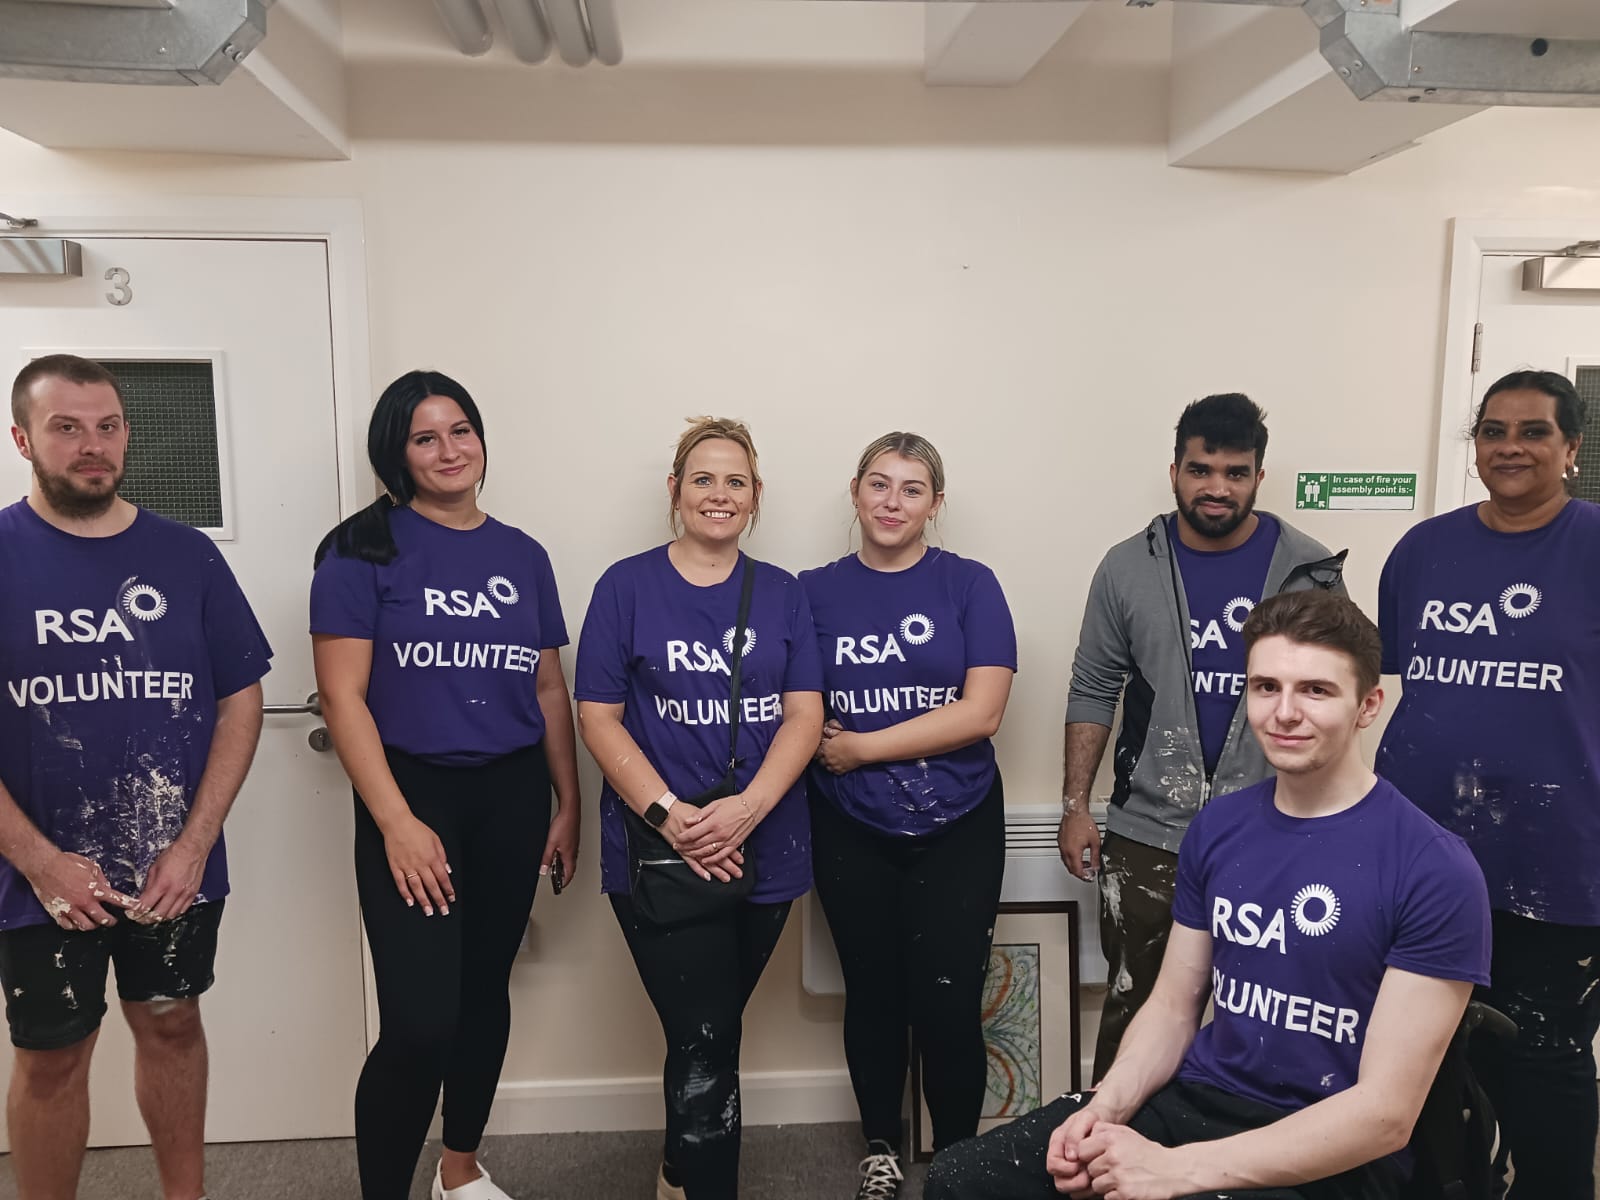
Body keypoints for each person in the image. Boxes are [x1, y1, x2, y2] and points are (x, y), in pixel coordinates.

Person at [927, 589, 1492, 1200]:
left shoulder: (1434, 868)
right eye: (1266, 687)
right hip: (1201, 1099)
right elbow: (1173, 1008)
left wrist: (1175, 1171)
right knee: (960, 1182)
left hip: (1331, 1147)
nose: (1285, 712)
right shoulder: (1219, 828)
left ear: (1368, 706)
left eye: (1316, 690)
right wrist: (1105, 1107)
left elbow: (1384, 1115)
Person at [0, 354, 271, 1200]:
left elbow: (241, 699)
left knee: (172, 1021)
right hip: (38, 873)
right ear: (22, 439)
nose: (93, 445)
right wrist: (41, 862)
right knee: (52, 1056)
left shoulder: (186, 556)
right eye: (66, 427)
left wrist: (194, 846)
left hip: (171, 864)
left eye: (108, 426)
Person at [311, 369, 581, 1200]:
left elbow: (547, 688)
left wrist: (569, 802)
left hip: (511, 795)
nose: (449, 450)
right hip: (412, 795)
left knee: (483, 994)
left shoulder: (523, 555)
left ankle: (459, 1170)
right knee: (421, 1021)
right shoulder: (358, 550)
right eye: (424, 438)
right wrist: (395, 820)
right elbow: (343, 698)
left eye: (460, 430)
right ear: (396, 454)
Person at [1056, 392, 1347, 1078]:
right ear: (1174, 472)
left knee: (1274, 1014)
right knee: (1136, 1006)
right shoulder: (1127, 566)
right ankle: (1115, 1134)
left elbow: (1337, 696)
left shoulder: (1308, 571)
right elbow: (1094, 686)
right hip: (1149, 832)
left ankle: (1246, 1140)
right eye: (1201, 470)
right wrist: (1075, 805)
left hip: (1279, 830)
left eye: (1235, 472)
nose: (1217, 487)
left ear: (1259, 477)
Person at [575, 416, 823, 1200]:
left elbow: (805, 714)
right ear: (675, 490)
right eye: (703, 478)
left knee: (708, 1029)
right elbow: (597, 716)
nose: (719, 494)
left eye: (735, 481)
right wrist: (671, 817)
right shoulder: (625, 587)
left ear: (756, 496)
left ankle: (681, 1168)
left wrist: (746, 809)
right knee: (708, 1034)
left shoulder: (783, 593)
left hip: (766, 843)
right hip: (659, 851)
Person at [1376, 369, 1598, 1200]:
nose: (1511, 447)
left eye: (1534, 431)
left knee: (1543, 1062)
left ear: (1571, 449)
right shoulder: (1422, 552)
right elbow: (1399, 675)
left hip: (1556, 863)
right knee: (1417, 1055)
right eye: (1494, 431)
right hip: (1420, 853)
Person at [800, 432, 1016, 1199]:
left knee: (950, 999)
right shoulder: (811, 591)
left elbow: (981, 712)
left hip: (960, 821)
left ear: (935, 503)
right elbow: (793, 704)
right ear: (855, 491)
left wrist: (859, 746)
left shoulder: (970, 584)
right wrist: (819, 739)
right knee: (873, 994)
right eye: (880, 484)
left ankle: (957, 1164)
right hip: (849, 822)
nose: (893, 502)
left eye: (912, 488)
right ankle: (881, 1150)